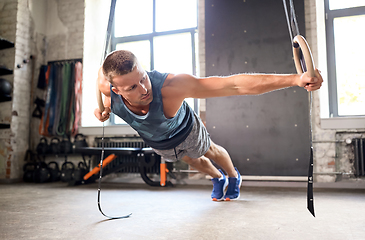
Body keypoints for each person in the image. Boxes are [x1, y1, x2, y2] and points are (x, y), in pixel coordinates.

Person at [94, 50, 323, 201]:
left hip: (186, 128)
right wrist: (102, 110)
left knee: (208, 150)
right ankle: (217, 177)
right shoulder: (108, 90)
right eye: (132, 88)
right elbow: (102, 82)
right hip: (159, 142)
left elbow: (232, 86)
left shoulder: (170, 86)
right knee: (192, 161)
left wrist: (295, 79)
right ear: (116, 89)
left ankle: (233, 176)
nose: (144, 90)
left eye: (143, 78)